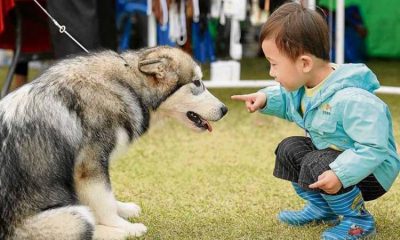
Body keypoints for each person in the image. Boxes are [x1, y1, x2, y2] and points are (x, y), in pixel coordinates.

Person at [231, 2, 399, 240]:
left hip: (372, 172)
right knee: (289, 148)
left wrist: (340, 173)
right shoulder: (307, 86)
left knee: (314, 162)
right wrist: (264, 98)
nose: (271, 72)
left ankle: (357, 220)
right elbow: (289, 101)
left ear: (305, 63)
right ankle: (323, 210)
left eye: (274, 64)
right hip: (331, 160)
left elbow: (374, 147)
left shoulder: (353, 99)